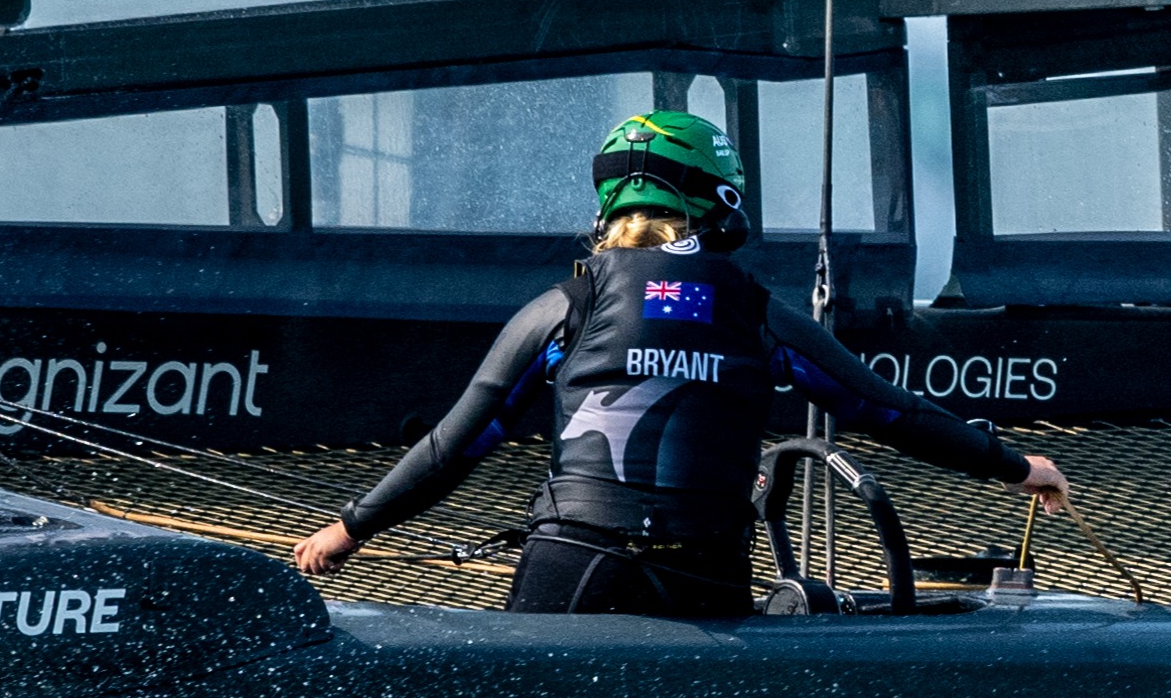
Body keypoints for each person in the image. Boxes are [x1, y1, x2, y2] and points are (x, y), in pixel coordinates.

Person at [294, 113, 1072, 617]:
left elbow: (459, 443)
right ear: (720, 200)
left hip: (574, 562)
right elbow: (886, 411)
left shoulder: (565, 303)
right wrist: (1013, 466)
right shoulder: (757, 311)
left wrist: (349, 527)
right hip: (704, 576)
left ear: (607, 211)